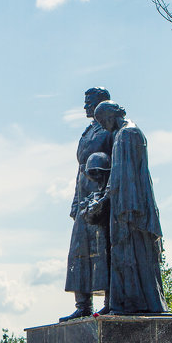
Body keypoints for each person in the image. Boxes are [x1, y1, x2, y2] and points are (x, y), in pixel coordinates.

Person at [93, 101, 169, 315]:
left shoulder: (128, 134)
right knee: (125, 256)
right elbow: (117, 175)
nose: (103, 126)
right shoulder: (122, 135)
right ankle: (129, 303)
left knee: (135, 255)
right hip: (124, 204)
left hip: (132, 207)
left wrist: (119, 205)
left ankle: (140, 303)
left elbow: (126, 176)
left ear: (111, 116)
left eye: (102, 121)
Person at [62, 87, 114, 321]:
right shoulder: (88, 131)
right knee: (78, 252)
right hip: (83, 197)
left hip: (101, 197)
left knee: (103, 251)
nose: (85, 107)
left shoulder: (111, 130)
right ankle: (82, 304)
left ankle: (110, 302)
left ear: (102, 103)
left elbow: (116, 164)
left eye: (89, 102)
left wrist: (107, 196)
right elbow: (80, 169)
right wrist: (75, 202)